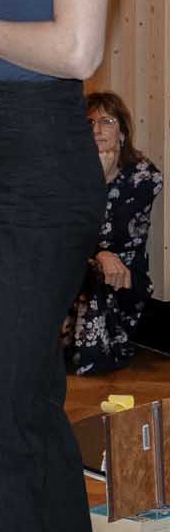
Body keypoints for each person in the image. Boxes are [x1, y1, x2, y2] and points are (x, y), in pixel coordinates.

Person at [71, 91, 160, 375]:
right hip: (82, 258)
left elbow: (114, 233)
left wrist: (100, 182)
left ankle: (91, 351)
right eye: (89, 123)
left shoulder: (144, 176)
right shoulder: (70, 173)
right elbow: (69, 230)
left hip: (123, 270)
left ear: (122, 131)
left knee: (100, 276)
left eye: (106, 121)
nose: (96, 130)